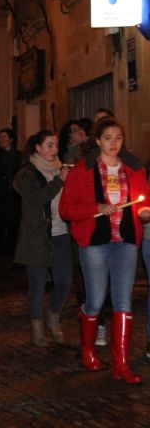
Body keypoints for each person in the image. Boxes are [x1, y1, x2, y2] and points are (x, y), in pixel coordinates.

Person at [59, 118, 150, 384]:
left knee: (123, 301)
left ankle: (121, 363)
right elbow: (66, 209)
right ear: (98, 140)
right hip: (95, 244)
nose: (114, 143)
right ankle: (88, 350)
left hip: (126, 242)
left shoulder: (134, 168)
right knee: (96, 300)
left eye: (118, 138)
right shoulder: (83, 170)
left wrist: (144, 213)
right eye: (108, 138)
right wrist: (95, 208)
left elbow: (143, 203)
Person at [13, 131, 71, 347]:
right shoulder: (27, 174)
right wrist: (59, 182)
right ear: (37, 147)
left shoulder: (62, 168)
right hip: (36, 235)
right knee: (37, 285)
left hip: (61, 233)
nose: (54, 150)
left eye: (56, 145)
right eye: (49, 145)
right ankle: (37, 328)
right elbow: (37, 199)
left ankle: (53, 316)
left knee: (64, 281)